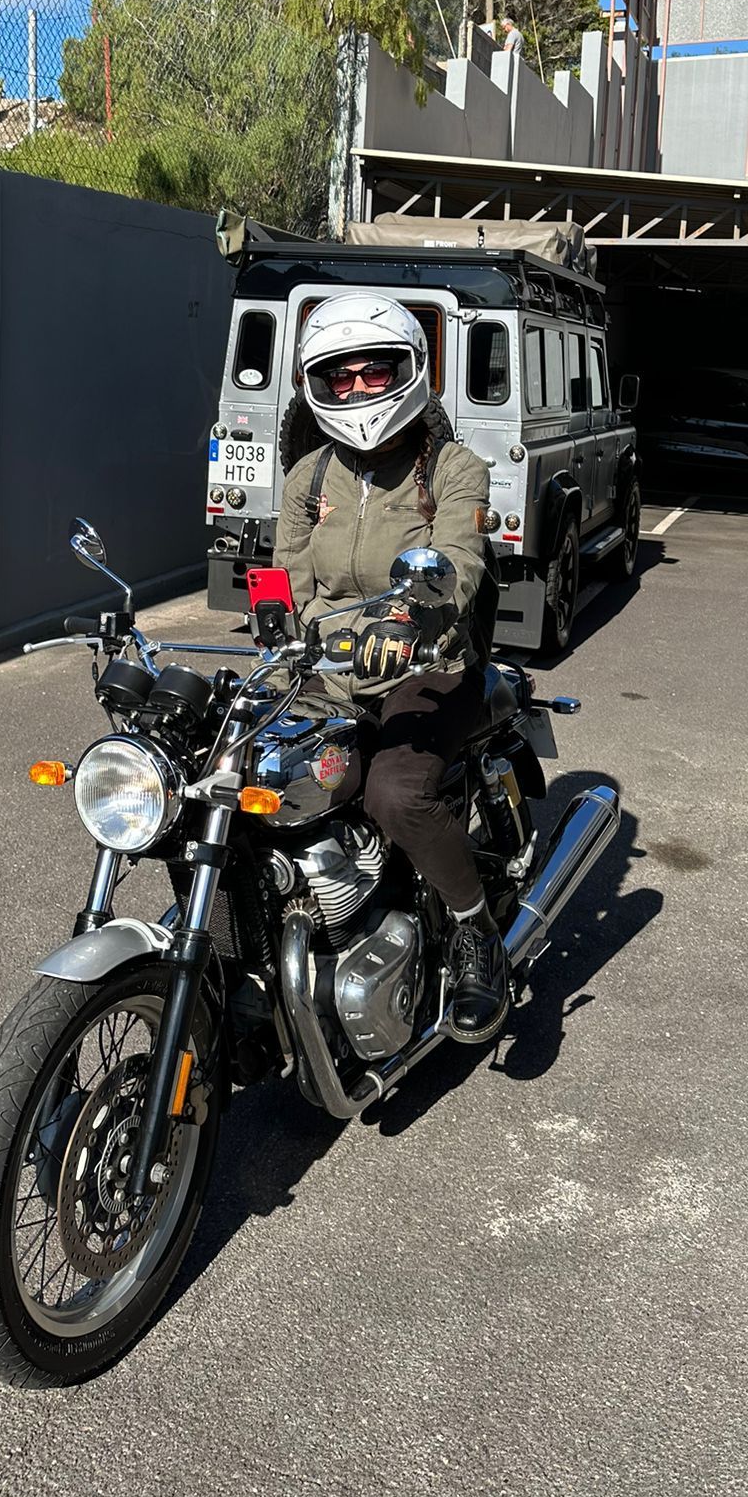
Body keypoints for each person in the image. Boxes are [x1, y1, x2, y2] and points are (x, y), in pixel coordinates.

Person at [274, 292, 509, 1043]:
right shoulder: (308, 478)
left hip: (432, 666)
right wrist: (293, 631)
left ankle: (476, 934)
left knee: (393, 793)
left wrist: (413, 615)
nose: (356, 390)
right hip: (333, 673)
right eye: (338, 378)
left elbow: (460, 560)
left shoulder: (452, 468)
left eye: (374, 373)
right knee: (259, 783)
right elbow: (284, 581)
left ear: (410, 371)